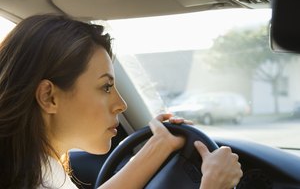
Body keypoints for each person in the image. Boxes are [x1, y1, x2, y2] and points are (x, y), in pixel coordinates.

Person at [0, 14, 242, 188]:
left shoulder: (32, 168)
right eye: (106, 87)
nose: (121, 104)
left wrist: (160, 146)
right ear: (48, 97)